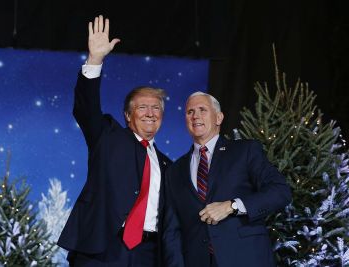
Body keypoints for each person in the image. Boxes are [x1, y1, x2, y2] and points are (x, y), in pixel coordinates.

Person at [57, 15, 172, 266]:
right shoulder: (108, 137)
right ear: (128, 115)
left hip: (148, 254)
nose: (151, 113)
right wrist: (95, 60)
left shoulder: (168, 165)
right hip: (102, 249)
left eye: (156, 108)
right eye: (143, 107)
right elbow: (85, 109)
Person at [162, 92, 292, 267]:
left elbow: (280, 191)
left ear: (219, 117)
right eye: (190, 112)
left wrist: (232, 206)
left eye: (202, 110)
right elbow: (172, 230)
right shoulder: (175, 170)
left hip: (245, 259)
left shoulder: (245, 151)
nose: (196, 116)